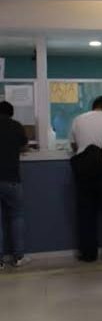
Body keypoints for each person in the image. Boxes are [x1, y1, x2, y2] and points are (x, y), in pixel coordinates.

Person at [69, 96, 102, 261]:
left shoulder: (78, 120)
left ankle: (88, 253)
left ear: (93, 106)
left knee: (86, 214)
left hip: (85, 172)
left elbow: (73, 145)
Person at [0, 101, 29, 269]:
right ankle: (18, 257)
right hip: (12, 178)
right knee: (16, 216)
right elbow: (24, 145)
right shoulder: (16, 126)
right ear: (11, 113)